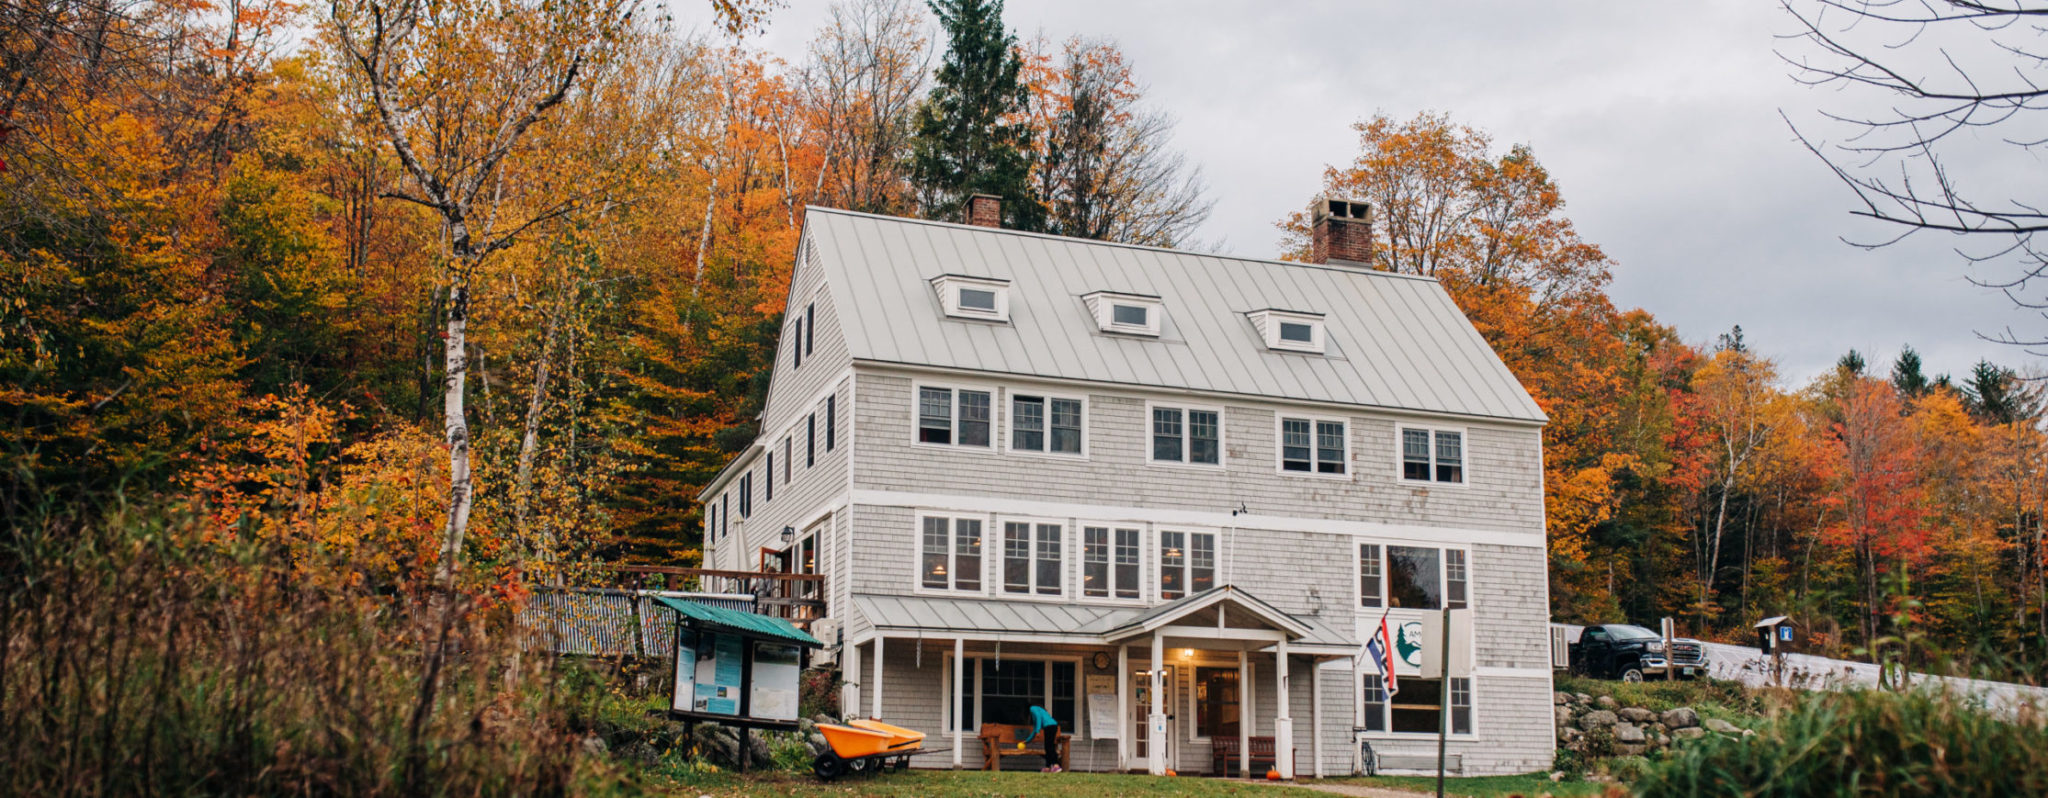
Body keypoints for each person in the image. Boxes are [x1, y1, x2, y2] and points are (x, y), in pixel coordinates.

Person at [1021, 705, 1062, 773]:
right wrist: (1027, 741)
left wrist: (1038, 731)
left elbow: (1038, 718)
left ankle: (1056, 765)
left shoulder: (1033, 708)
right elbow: (1035, 729)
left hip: (1050, 726)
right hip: (1051, 726)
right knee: (1047, 747)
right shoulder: (1037, 711)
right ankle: (1047, 767)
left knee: (1050, 746)